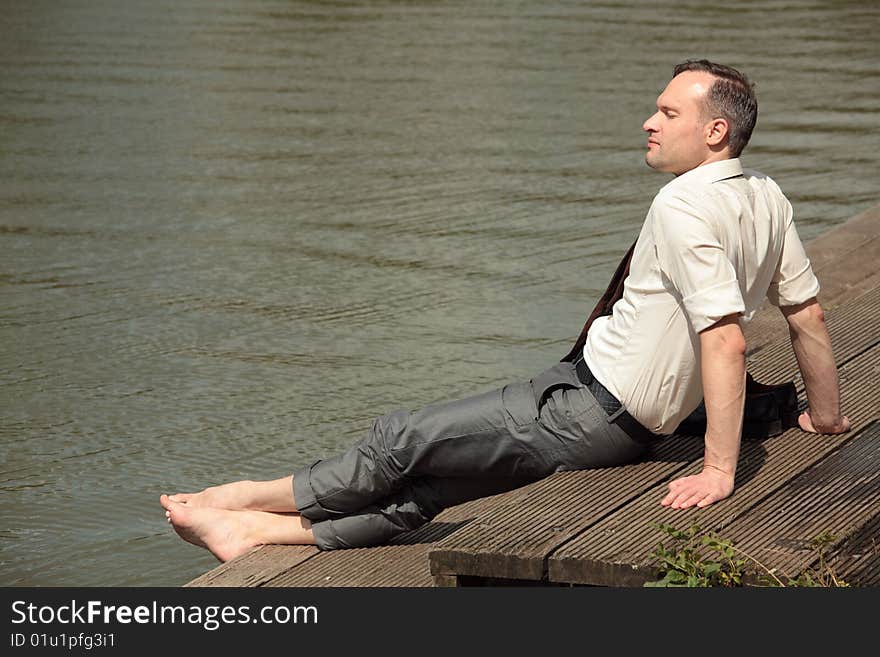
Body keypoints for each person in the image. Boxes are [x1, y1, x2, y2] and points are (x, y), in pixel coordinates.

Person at [160, 59, 851, 562]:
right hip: (610, 415)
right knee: (433, 487)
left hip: (586, 411)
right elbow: (807, 315)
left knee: (403, 438)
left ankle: (246, 494)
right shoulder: (766, 194)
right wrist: (823, 415)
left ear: (715, 130)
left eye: (669, 113)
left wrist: (719, 469)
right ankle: (258, 530)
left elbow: (725, 341)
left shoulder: (684, 202)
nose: (649, 121)